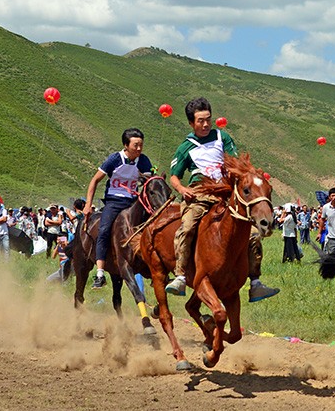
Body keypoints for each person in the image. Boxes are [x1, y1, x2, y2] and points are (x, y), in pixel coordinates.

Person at [164, 97, 279, 302]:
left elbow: (234, 162)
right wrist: (183, 188)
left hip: (226, 194)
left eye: (208, 119)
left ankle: (255, 283)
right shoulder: (185, 147)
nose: (206, 124)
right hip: (200, 195)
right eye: (200, 121)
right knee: (187, 226)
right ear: (191, 123)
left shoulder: (222, 137)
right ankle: (180, 275)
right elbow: (174, 175)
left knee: (253, 234)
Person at [84, 128, 153, 289]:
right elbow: (95, 180)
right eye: (135, 145)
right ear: (126, 145)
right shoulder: (114, 159)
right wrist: (88, 204)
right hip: (114, 201)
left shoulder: (143, 161)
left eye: (141, 145)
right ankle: (100, 273)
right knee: (104, 230)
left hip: (133, 201)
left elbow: (149, 184)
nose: (139, 149)